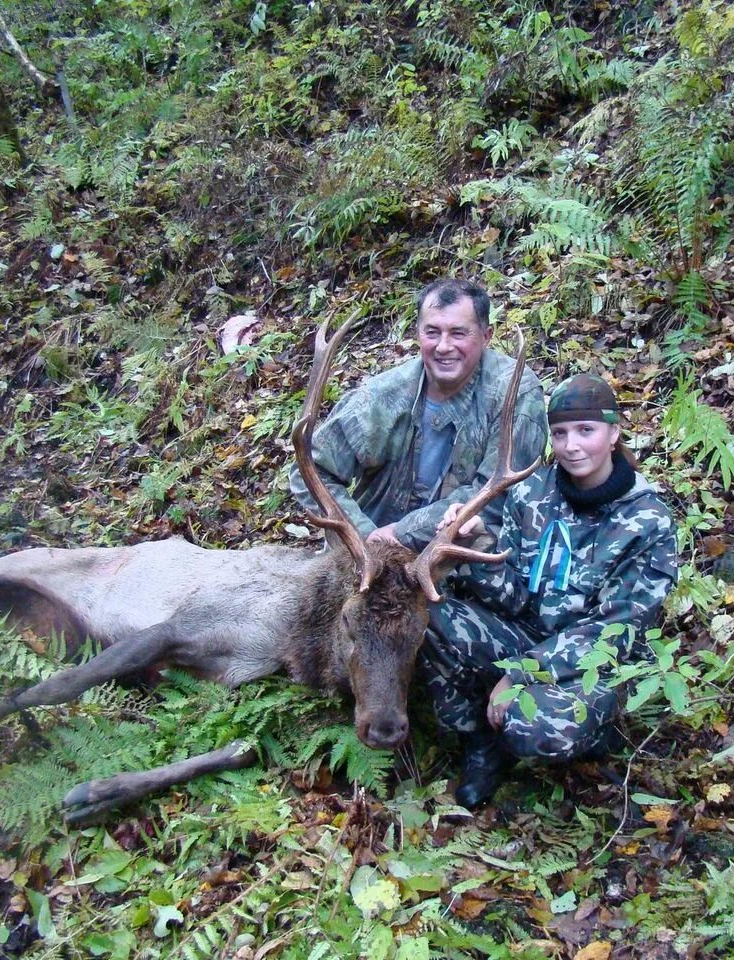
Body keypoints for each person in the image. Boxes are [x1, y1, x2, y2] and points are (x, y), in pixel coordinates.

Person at [421, 373, 679, 808]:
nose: (571, 446)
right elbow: (517, 596)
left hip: (597, 664)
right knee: (428, 617)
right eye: (559, 433)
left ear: (614, 433)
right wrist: (475, 545)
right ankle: (479, 743)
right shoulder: (533, 493)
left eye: (586, 431)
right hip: (531, 633)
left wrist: (519, 673)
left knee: (533, 729)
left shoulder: (649, 521)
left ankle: (597, 732)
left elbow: (615, 632)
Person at [288, 279, 547, 551]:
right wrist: (363, 536)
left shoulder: (515, 393)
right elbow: (311, 470)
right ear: (418, 333)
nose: (444, 346)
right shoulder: (381, 396)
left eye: (458, 333)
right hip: (370, 557)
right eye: (432, 332)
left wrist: (402, 534)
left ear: (486, 336)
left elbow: (499, 496)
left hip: (463, 558)